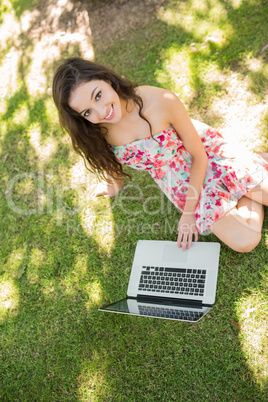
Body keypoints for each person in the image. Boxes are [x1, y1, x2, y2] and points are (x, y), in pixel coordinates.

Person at [52, 57, 268, 252]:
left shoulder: (161, 101)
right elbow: (109, 160)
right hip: (179, 181)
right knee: (245, 241)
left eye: (98, 95)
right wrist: (114, 183)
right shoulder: (96, 129)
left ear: (107, 79)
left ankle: (245, 168)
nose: (101, 112)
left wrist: (189, 213)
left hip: (205, 155)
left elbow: (199, 156)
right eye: (87, 112)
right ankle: (248, 182)